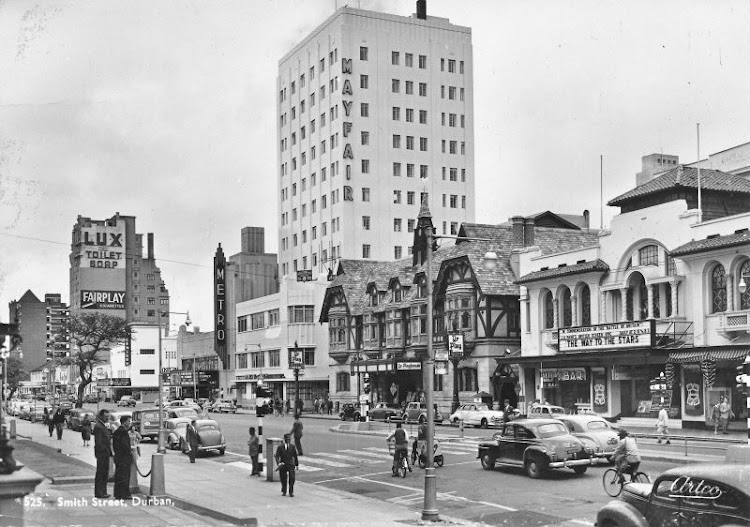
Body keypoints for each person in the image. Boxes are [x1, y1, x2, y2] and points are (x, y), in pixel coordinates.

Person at [112, 415, 133, 499]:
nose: (129, 423)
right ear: (124, 422)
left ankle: (118, 493)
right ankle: (124, 493)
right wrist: (129, 453)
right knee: (124, 476)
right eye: (128, 421)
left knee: (119, 475)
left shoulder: (118, 431)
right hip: (124, 458)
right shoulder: (123, 432)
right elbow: (125, 446)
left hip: (118, 457)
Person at [93, 409, 112, 499]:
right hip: (102, 453)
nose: (107, 418)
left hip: (105, 453)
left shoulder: (103, 426)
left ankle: (103, 491)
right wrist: (104, 451)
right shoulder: (99, 427)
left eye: (108, 416)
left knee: (105, 473)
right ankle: (99, 492)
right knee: (101, 473)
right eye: (105, 416)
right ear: (100, 416)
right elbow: (99, 442)